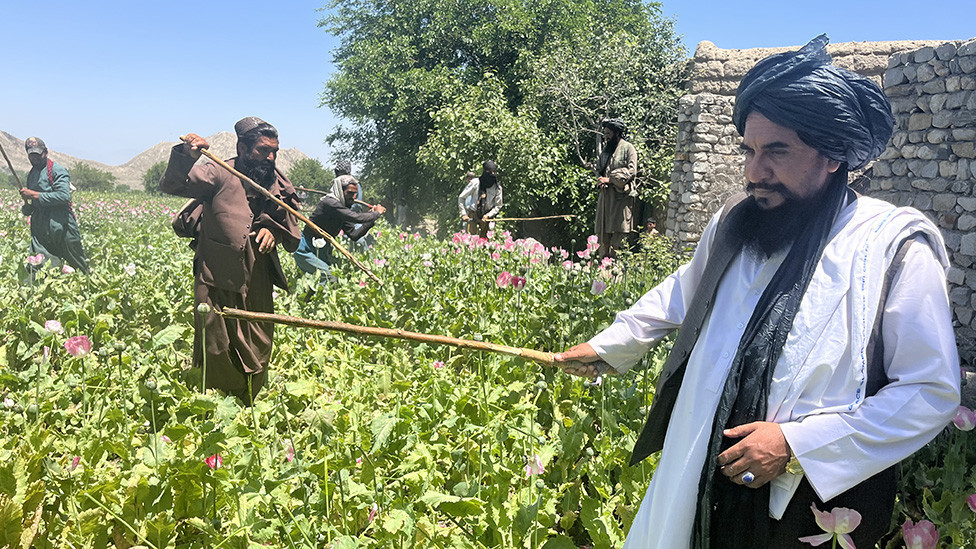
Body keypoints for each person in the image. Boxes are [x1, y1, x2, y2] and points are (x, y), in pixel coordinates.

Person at [555, 35, 960, 548]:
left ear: (832, 155)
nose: (754, 172)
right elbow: (690, 289)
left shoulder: (893, 247)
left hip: (806, 504)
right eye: (748, 150)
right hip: (705, 468)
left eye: (777, 151)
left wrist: (796, 444)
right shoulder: (736, 223)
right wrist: (613, 344)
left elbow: (930, 391)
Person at [160, 117, 301, 404]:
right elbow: (173, 185)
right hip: (217, 268)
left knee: (258, 335)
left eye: (275, 150)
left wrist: (271, 229)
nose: (270, 157)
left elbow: (286, 217)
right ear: (243, 147)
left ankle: (248, 396)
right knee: (216, 339)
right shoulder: (218, 171)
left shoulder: (276, 180)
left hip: (257, 269)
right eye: (263, 150)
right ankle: (215, 400)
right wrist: (187, 156)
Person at [292, 162, 386, 286]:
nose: (353, 197)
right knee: (329, 278)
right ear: (340, 191)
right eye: (350, 193)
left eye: (354, 194)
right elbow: (356, 217)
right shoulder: (329, 203)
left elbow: (354, 234)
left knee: (327, 281)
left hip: (323, 250)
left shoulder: (342, 209)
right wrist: (376, 214)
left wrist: (371, 220)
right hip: (306, 250)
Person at [19, 137, 90, 275]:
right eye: (31, 155)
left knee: (77, 262)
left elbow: (64, 196)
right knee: (38, 266)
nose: (35, 158)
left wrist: (34, 195)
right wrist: (28, 208)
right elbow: (34, 203)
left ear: (45, 152)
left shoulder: (57, 171)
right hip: (40, 227)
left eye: (37, 155)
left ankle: (89, 288)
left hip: (61, 224)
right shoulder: (32, 174)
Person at [593, 118, 638, 258]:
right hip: (605, 197)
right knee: (603, 232)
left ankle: (613, 264)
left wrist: (611, 179)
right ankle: (603, 263)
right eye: (605, 133)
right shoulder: (606, 150)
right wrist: (600, 180)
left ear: (617, 133)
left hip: (620, 199)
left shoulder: (628, 148)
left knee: (618, 235)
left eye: (609, 133)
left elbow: (631, 171)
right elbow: (599, 170)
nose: (606, 136)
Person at [458, 161, 502, 236]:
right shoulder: (475, 183)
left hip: (487, 218)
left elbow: (498, 205)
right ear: (485, 172)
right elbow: (461, 197)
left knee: (485, 242)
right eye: (490, 172)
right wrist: (464, 214)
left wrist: (488, 215)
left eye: (493, 172)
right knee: (471, 241)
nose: (492, 174)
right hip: (473, 216)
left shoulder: (497, 188)